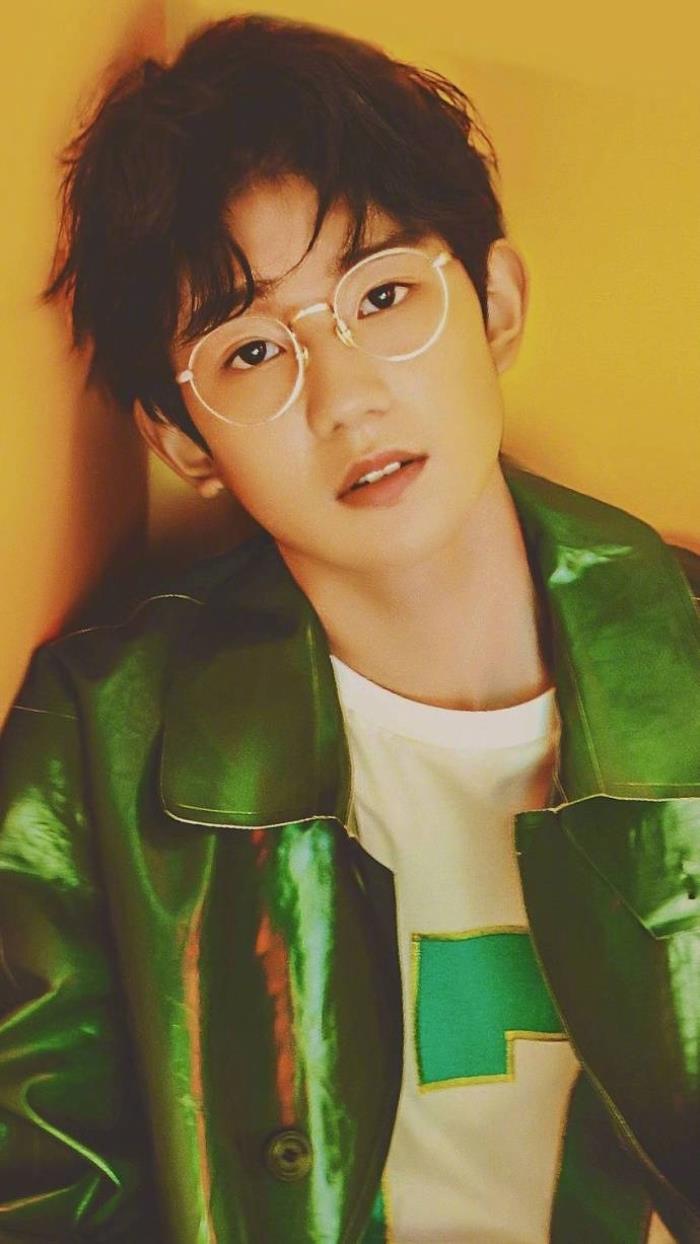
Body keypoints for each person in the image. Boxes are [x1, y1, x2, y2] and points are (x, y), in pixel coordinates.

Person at [1, 13, 698, 1243]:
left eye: (382, 295)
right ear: (179, 439)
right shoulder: (101, 737)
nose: (346, 395)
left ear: (494, 303)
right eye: (250, 349)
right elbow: (43, 1188)